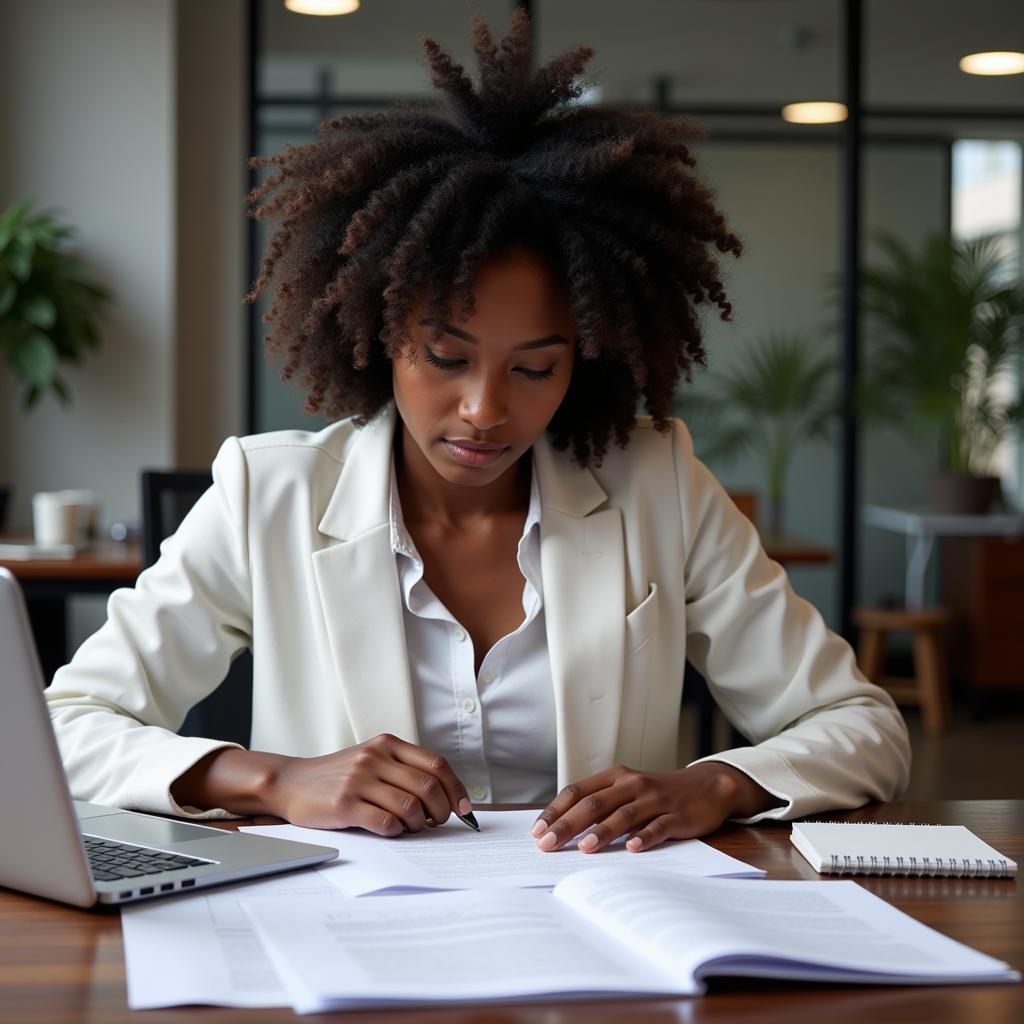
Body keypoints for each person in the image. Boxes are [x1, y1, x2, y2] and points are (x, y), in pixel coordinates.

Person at [46, 8, 909, 855]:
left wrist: (713, 784)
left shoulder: (660, 485)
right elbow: (65, 725)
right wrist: (271, 779)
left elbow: (863, 726)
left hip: (606, 946)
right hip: (345, 946)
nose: (486, 410)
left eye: (535, 368)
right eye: (444, 358)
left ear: (588, 358)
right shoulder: (267, 493)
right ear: (379, 339)